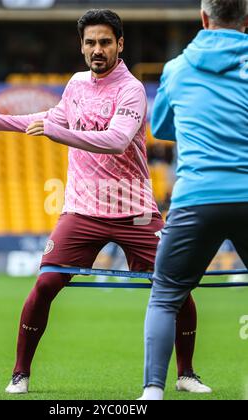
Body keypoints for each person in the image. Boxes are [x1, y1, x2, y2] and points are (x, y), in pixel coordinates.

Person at [0, 9, 210, 395]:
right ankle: (20, 373)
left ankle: (185, 373)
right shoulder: (76, 84)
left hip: (134, 211)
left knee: (175, 287)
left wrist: (56, 133)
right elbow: (53, 117)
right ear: (81, 46)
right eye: (90, 42)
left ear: (120, 44)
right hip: (82, 210)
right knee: (46, 283)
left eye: (104, 42)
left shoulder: (131, 89)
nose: (96, 49)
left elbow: (116, 140)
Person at [139, 0, 248, 401]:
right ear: (247, 20)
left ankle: (153, 392)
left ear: (204, 18)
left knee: (165, 294)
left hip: (195, 197)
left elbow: (164, 126)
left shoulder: (177, 68)